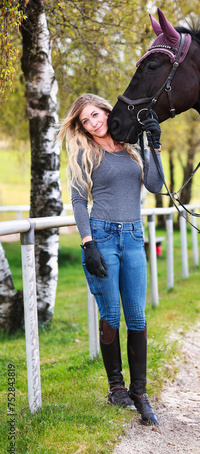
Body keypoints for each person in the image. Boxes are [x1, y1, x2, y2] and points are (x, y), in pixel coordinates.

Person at [57, 93, 164, 425]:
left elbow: (156, 185)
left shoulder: (131, 149)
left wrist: (153, 144)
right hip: (102, 237)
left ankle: (140, 393)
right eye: (86, 121)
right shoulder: (84, 153)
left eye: (95, 115)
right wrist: (88, 244)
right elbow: (77, 201)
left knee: (137, 316)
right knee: (111, 316)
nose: (93, 123)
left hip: (133, 237)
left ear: (107, 111)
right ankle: (116, 388)